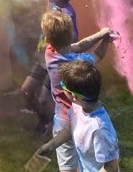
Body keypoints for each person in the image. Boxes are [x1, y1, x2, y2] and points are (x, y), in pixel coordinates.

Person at [42, 10, 113, 172]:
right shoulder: (78, 64)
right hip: (81, 117)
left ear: (48, 39)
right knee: (88, 157)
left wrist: (100, 34)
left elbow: (79, 45)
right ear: (72, 34)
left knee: (68, 163)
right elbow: (98, 54)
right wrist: (105, 40)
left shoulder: (50, 53)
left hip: (61, 119)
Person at [36, 60, 120, 172]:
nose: (61, 88)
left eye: (63, 87)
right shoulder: (78, 108)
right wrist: (51, 145)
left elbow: (111, 167)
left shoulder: (99, 129)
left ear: (74, 96)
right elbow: (71, 127)